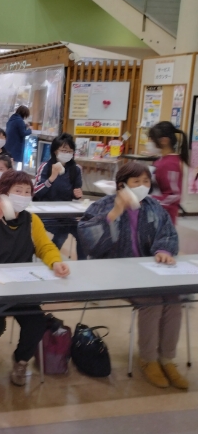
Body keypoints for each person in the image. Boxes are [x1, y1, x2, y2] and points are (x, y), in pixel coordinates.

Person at [78, 162, 187, 389]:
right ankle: (148, 359)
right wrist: (114, 213)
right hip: (112, 273)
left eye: (146, 181)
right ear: (122, 185)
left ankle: (167, 358)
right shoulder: (103, 205)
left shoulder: (153, 207)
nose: (142, 186)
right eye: (136, 182)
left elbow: (167, 233)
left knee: (173, 300)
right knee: (152, 301)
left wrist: (163, 250)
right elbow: (89, 242)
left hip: (148, 272)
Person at [0, 170, 69, 385]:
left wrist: (55, 262)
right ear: (4, 193)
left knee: (36, 322)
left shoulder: (32, 220)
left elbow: (44, 246)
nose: (23, 196)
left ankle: (21, 360)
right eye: (18, 191)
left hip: (20, 284)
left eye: (27, 192)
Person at [33, 133, 84, 259]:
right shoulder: (46, 167)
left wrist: (77, 194)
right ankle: (50, 257)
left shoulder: (75, 169)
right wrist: (51, 178)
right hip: (45, 212)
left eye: (70, 151)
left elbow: (76, 191)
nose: (67, 154)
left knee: (82, 232)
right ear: (55, 151)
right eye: (63, 150)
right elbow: (36, 192)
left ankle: (82, 263)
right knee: (62, 232)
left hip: (65, 213)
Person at [147, 121, 189, 225]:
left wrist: (148, 199)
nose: (149, 142)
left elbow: (173, 195)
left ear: (164, 141)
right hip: (154, 213)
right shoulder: (161, 160)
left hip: (163, 217)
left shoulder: (171, 163)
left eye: (152, 139)